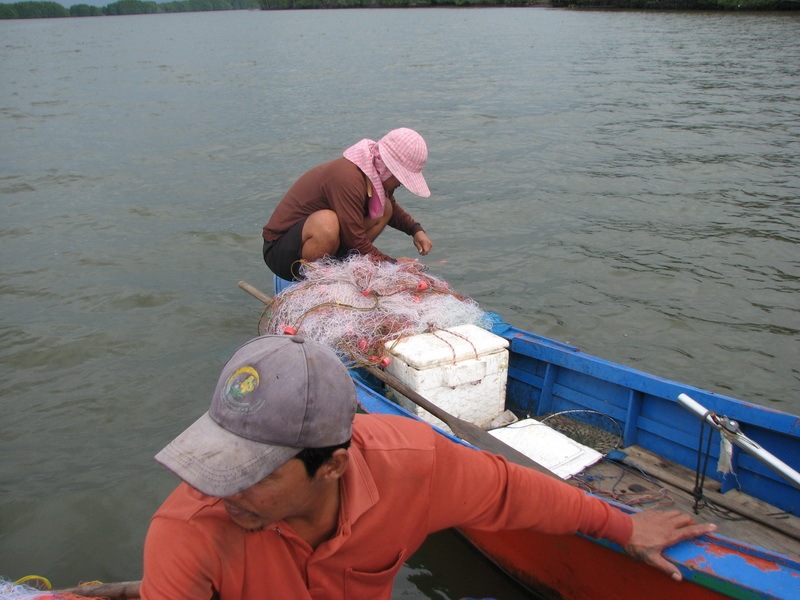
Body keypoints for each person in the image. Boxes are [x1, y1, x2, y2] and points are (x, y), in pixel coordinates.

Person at [141, 335, 716, 600]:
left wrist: (622, 526)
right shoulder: (187, 534)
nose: (222, 487)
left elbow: (513, 492)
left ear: (334, 466)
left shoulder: (411, 464)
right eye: (216, 459)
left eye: (256, 471)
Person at [262, 128, 434, 285]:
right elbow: (355, 239)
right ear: (390, 168)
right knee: (327, 222)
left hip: (328, 247)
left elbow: (391, 208)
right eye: (401, 178)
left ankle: (337, 269)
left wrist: (415, 229)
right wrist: (393, 265)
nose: (401, 183)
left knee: (386, 208)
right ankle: (316, 281)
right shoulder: (348, 178)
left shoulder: (373, 175)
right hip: (282, 253)